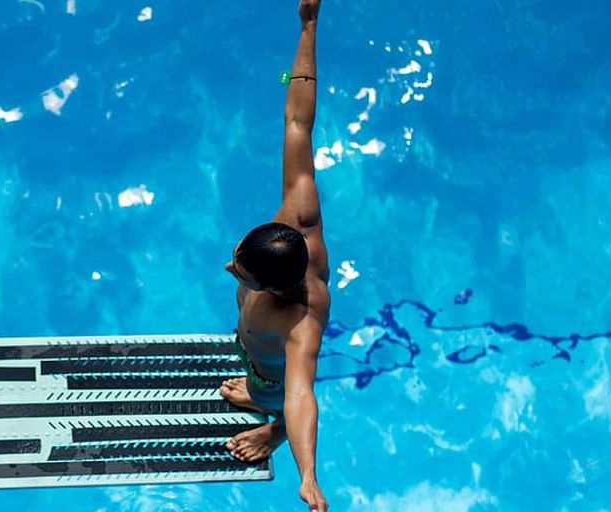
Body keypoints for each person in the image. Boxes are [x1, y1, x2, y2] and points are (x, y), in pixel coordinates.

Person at [219, 1, 329, 511]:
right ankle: (253, 395)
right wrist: (307, 28)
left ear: (266, 286)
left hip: (270, 377)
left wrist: (306, 474)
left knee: (272, 396)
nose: (229, 266)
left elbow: (301, 395)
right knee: (254, 375)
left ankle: (269, 433)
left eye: (239, 269)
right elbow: (297, 120)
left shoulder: (298, 325)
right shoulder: (298, 214)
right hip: (255, 354)